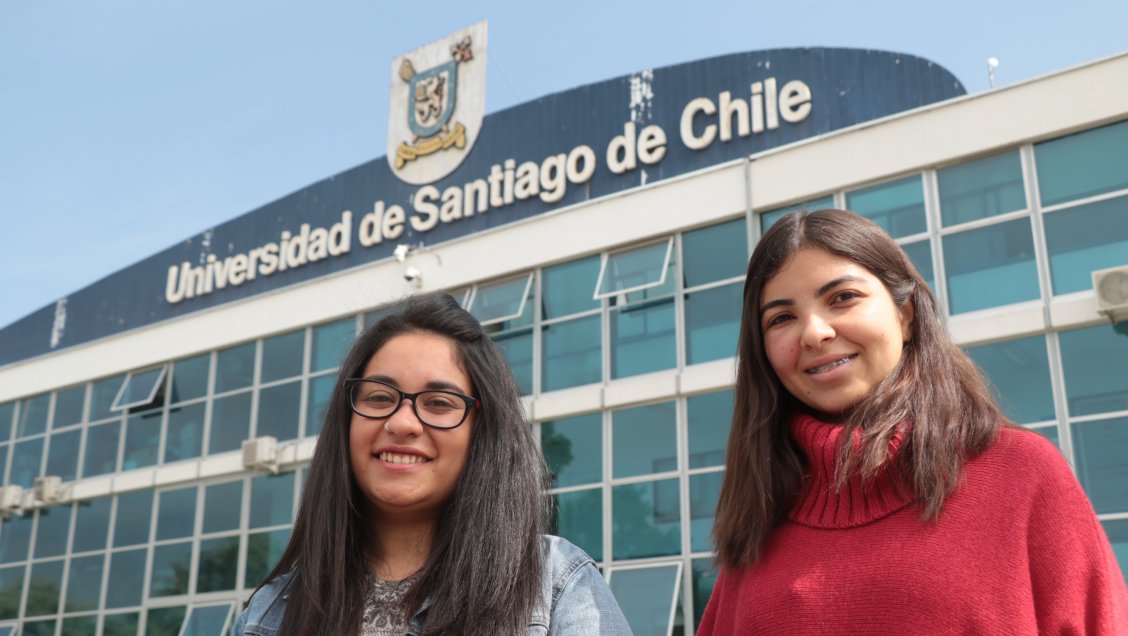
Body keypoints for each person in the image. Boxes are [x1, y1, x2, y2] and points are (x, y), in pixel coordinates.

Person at [698, 209, 1128, 634]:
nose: (814, 332)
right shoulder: (757, 515)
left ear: (905, 315)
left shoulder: (1022, 474)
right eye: (781, 318)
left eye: (843, 298)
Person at [232, 292, 630, 635]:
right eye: (378, 398)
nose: (402, 423)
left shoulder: (555, 583)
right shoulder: (270, 612)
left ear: (483, 433)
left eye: (439, 404)